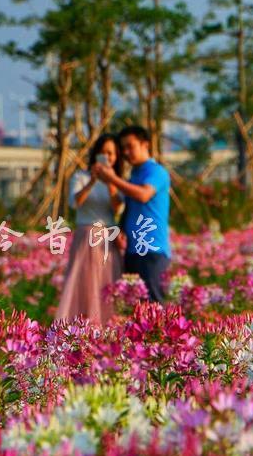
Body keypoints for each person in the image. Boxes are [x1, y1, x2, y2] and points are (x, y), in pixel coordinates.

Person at [93, 125, 171, 303]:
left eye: (130, 146)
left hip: (152, 250)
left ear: (145, 144)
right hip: (133, 249)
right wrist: (121, 229)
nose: (126, 152)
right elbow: (130, 207)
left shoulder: (156, 171)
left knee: (153, 305)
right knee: (135, 306)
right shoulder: (134, 175)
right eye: (123, 148)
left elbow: (143, 195)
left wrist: (112, 179)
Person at [55, 134, 125, 324]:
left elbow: (118, 208)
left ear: (117, 157)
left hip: (108, 239)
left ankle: (106, 329)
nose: (107, 157)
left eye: (111, 153)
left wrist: (110, 181)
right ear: (95, 155)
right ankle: (81, 328)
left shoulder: (117, 181)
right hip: (86, 236)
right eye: (103, 153)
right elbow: (74, 202)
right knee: (84, 284)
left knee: (106, 284)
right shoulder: (81, 176)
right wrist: (93, 181)